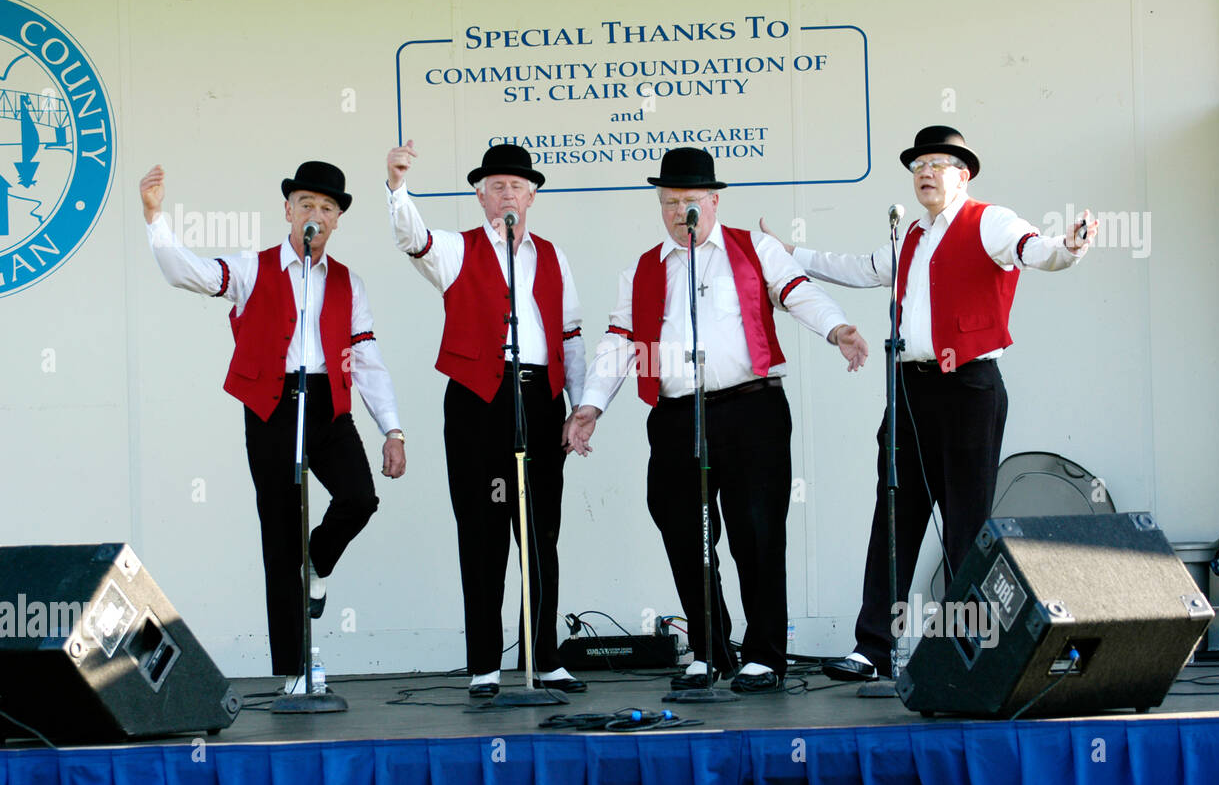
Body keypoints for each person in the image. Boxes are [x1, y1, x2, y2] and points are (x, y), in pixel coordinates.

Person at [763, 125, 1098, 681]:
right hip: (910, 390)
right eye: (919, 164)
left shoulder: (990, 220)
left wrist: (1068, 247)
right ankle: (872, 648)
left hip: (968, 387)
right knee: (893, 515)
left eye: (938, 163)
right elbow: (862, 268)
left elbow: (1036, 251)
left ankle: (969, 651)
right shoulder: (910, 234)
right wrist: (790, 252)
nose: (925, 172)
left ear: (963, 174)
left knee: (968, 524)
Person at [564, 147, 870, 694]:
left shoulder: (754, 249)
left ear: (714, 201)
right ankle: (709, 648)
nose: (681, 211)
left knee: (756, 532)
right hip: (678, 415)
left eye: (690, 201)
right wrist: (590, 406)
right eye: (669, 201)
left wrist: (837, 329)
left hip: (751, 408)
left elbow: (799, 294)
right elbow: (619, 342)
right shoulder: (643, 267)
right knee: (683, 531)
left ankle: (764, 655)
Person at [139, 161, 407, 695]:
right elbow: (184, 272)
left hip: (329, 401)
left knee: (359, 497)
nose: (316, 214)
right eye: (306, 204)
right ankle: (295, 669)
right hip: (271, 405)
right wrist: (155, 218)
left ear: (336, 221)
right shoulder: (252, 268)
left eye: (327, 208)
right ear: (288, 211)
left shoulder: (350, 284)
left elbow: (367, 359)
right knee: (279, 532)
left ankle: (318, 561)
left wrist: (392, 430)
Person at [385, 141, 587, 698]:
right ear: (479, 195)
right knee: (482, 531)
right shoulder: (457, 249)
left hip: (538, 402)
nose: (507, 194)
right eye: (496, 186)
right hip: (478, 402)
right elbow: (414, 239)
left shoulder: (552, 256)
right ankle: (484, 665)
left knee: (540, 534)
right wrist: (398, 188)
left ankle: (545, 658)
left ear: (532, 196)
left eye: (517, 186)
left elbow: (569, 335)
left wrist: (579, 407)